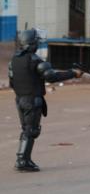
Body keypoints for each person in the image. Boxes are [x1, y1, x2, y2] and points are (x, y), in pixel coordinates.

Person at [9, 29, 82, 172]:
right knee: (31, 130)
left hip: (19, 99)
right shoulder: (36, 61)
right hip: (31, 100)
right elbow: (52, 77)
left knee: (27, 130)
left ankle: (23, 157)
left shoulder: (14, 60)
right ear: (31, 44)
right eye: (36, 42)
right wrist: (72, 73)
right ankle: (22, 160)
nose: (37, 44)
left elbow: (12, 82)